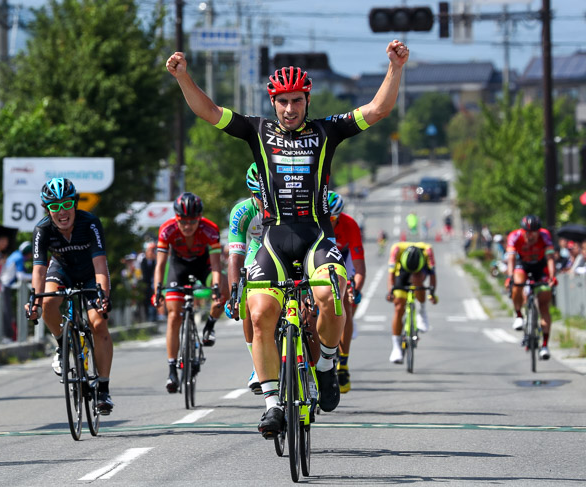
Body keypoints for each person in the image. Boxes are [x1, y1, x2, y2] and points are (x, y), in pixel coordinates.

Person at [166, 38, 409, 436]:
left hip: (316, 235)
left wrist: (395, 68)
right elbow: (208, 112)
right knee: (260, 314)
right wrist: (183, 77)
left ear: (307, 100)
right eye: (283, 101)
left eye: (297, 101)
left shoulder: (328, 131)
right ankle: (272, 403)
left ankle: (328, 364)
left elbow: (377, 109)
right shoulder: (256, 131)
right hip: (275, 239)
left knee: (331, 295)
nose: (290, 109)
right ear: (273, 102)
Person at [25, 178, 114, 414]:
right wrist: (34, 300)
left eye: (66, 204)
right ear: (48, 210)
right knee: (47, 303)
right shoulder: (42, 229)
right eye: (54, 207)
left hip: (90, 274)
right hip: (61, 270)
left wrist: (102, 295)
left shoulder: (90, 223)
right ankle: (62, 344)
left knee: (98, 323)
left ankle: (103, 389)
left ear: (75, 204)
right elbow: (39, 270)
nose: (61, 212)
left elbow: (100, 264)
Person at [152, 192, 227, 394]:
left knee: (224, 287)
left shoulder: (210, 230)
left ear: (200, 218)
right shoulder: (167, 230)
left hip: (204, 266)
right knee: (174, 315)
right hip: (179, 268)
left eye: (192, 222)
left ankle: (209, 326)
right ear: (176, 218)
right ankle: (171, 369)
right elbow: (160, 265)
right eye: (183, 222)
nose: (187, 226)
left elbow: (217, 267)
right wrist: (158, 289)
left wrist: (216, 289)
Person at [227, 163, 265, 394]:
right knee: (248, 299)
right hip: (258, 248)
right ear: (252, 193)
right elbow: (236, 255)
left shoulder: (288, 203)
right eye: (259, 196)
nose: (264, 200)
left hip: (286, 249)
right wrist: (235, 292)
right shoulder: (242, 211)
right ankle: (256, 363)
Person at [328, 191, 365, 394]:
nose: (330, 221)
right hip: (320, 255)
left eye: (334, 219)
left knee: (346, 304)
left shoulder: (350, 225)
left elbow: (359, 267)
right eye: (327, 217)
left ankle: (343, 363)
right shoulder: (314, 222)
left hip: (344, 257)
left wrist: (355, 289)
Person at [505, 215, 556, 360]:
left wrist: (552, 276)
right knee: (517, 282)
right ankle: (519, 315)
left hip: (540, 266)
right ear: (522, 231)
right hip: (523, 264)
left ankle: (545, 345)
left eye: (534, 232)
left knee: (544, 304)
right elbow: (511, 259)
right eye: (527, 232)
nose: (531, 235)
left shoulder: (545, 236)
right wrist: (509, 276)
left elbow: (550, 258)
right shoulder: (514, 236)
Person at [385, 242, 437, 363]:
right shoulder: (396, 250)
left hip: (421, 270)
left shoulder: (428, 251)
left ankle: (422, 312)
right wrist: (390, 292)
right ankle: (396, 346)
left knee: (417, 280)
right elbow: (391, 275)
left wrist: (432, 294)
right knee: (399, 306)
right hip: (401, 272)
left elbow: (433, 275)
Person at [0, 241, 33, 342]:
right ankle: (7, 337)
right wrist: (36, 277)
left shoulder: (16, 255)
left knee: (7, 311)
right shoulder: (19, 257)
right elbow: (21, 276)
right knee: (7, 312)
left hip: (4, 285)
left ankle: (8, 336)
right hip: (4, 286)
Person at [139, 242, 158, 322]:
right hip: (143, 284)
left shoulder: (155, 261)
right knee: (144, 301)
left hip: (152, 283)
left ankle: (153, 317)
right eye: (150, 250)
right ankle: (145, 317)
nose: (152, 252)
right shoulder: (142, 260)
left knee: (153, 299)